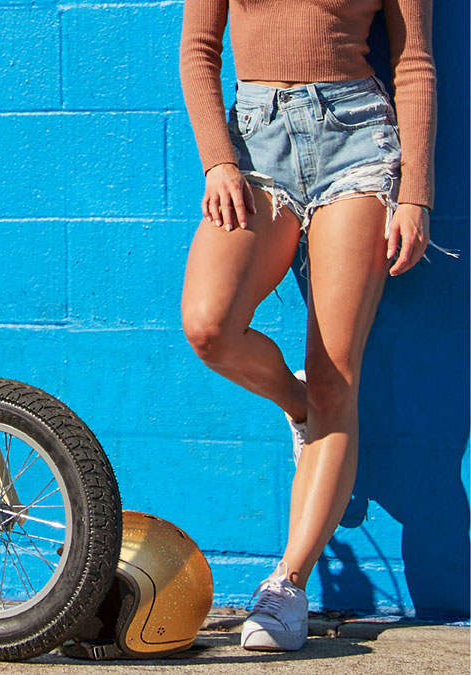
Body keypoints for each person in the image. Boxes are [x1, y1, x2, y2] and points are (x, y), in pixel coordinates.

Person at [177, 0, 437, 652]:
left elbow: (413, 62)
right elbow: (198, 49)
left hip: (356, 141)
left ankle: (287, 585)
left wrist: (415, 197)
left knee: (335, 376)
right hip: (254, 142)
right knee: (209, 326)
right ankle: (297, 405)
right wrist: (218, 160)